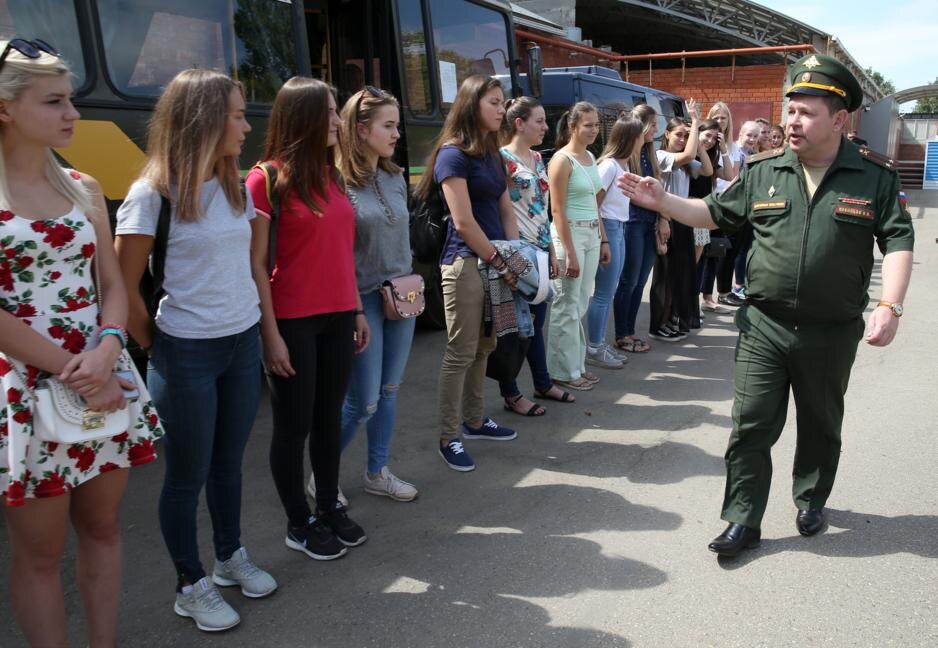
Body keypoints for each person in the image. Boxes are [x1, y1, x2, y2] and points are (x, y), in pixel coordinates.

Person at [619, 53, 914, 557]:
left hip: (831, 329)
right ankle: (742, 517)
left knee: (821, 422)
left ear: (839, 119)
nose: (792, 121)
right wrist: (661, 202)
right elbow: (713, 213)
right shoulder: (763, 172)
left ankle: (811, 497)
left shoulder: (873, 177)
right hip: (764, 326)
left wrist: (890, 305)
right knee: (751, 422)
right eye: (790, 109)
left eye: (806, 112)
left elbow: (899, 240)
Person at [0, 37, 163, 647]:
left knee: (104, 529)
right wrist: (81, 369)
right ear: (5, 108)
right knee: (38, 556)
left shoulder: (84, 187)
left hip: (102, 376)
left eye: (70, 99)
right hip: (24, 389)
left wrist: (106, 348)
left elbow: (113, 285)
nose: (72, 113)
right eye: (55, 102)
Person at [116, 69, 275, 632]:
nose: (245, 124)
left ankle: (229, 558)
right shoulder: (151, 194)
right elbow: (124, 285)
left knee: (228, 465)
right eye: (235, 114)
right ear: (204, 120)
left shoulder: (232, 183)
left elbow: (248, 264)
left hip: (239, 344)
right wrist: (156, 347)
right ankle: (190, 582)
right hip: (185, 353)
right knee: (186, 476)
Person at [245, 78, 368, 557]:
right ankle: (299, 523)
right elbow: (256, 264)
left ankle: (329, 509)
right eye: (331, 112)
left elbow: (342, 253)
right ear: (303, 118)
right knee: (293, 427)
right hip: (292, 321)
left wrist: (356, 307)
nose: (338, 121)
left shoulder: (332, 176)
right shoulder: (264, 178)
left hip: (339, 316)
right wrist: (269, 334)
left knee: (329, 421)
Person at [417, 75, 518, 472]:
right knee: (460, 351)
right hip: (466, 265)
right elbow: (462, 222)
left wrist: (514, 255)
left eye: (503, 101)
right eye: (494, 101)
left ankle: (475, 421)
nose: (502, 108)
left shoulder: (492, 153)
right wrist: (499, 260)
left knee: (486, 345)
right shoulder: (451, 154)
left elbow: (506, 209)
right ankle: (449, 436)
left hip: (496, 262)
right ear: (472, 104)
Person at [334, 86, 418, 501]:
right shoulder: (338, 180)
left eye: (396, 126)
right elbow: (337, 255)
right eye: (389, 126)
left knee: (389, 391)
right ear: (361, 129)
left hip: (402, 295)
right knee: (362, 401)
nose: (396, 135)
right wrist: (352, 310)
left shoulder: (394, 176)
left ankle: (376, 471)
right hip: (361, 299)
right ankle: (323, 473)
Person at [498, 96, 574, 413]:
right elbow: (501, 210)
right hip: (519, 254)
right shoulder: (501, 159)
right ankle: (512, 393)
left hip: (541, 250)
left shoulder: (537, 158)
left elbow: (542, 210)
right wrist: (516, 257)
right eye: (539, 121)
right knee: (516, 328)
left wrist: (552, 252)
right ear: (519, 123)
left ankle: (542, 384)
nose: (545, 127)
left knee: (536, 322)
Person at [547, 101, 612, 387]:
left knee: (580, 303)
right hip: (569, 235)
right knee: (566, 305)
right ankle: (562, 372)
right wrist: (569, 251)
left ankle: (576, 365)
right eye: (588, 125)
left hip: (590, 235)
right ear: (573, 127)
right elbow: (557, 210)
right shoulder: (562, 160)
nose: (594, 130)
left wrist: (603, 238)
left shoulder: (589, 156)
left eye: (597, 125)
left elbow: (594, 204)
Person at [647, 104, 712, 341]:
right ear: (666, 134)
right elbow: (687, 156)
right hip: (666, 219)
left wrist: (701, 145)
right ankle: (658, 324)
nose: (683, 139)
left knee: (681, 274)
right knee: (665, 276)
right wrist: (695, 124)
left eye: (686, 136)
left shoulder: (685, 163)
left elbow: (706, 169)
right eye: (678, 135)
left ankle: (672, 317)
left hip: (682, 219)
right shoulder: (662, 156)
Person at [585, 115, 644, 365]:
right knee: (603, 293)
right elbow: (592, 204)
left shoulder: (623, 164)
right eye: (641, 135)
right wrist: (604, 240)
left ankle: (599, 344)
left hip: (618, 227)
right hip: (608, 229)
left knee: (608, 292)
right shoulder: (609, 166)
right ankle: (595, 348)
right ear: (631, 138)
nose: (644, 139)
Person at [612, 103, 661, 354]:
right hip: (632, 224)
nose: (656, 129)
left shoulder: (651, 152)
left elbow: (659, 193)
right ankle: (622, 334)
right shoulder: (626, 157)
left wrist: (663, 220)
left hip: (650, 223)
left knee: (640, 281)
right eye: (652, 124)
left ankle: (630, 331)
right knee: (628, 281)